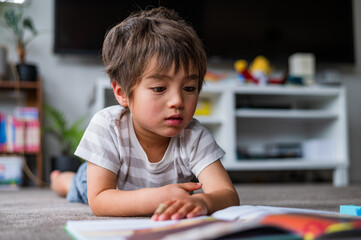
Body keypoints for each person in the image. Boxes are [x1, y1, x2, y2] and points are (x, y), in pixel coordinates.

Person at [50, 6, 239, 221]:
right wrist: (156, 198)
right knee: (75, 186)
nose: (178, 101)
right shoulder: (108, 126)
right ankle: (60, 179)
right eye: (159, 88)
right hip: (106, 180)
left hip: (147, 188)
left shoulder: (195, 137)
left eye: (189, 88)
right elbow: (100, 199)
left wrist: (203, 202)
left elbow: (228, 194)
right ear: (122, 93)